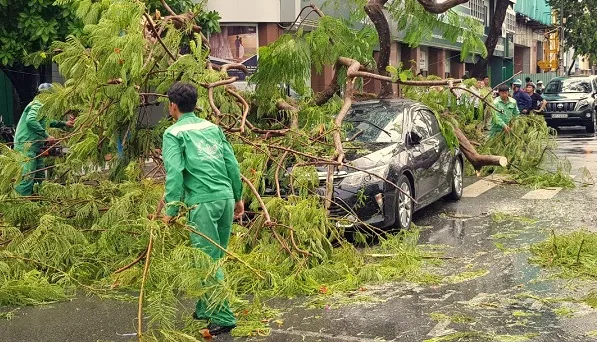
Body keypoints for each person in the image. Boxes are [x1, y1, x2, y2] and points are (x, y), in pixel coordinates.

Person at [161, 82, 243, 336]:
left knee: (206, 260)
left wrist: (171, 210)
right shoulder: (213, 128)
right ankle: (204, 306)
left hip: (203, 202)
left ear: (172, 106)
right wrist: (238, 197)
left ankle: (223, 317)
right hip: (225, 198)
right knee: (214, 257)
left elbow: (174, 174)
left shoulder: (173, 134)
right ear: (195, 104)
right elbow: (231, 163)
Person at [13, 83, 74, 195]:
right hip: (26, 147)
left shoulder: (42, 108)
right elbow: (31, 121)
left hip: (36, 149)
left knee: (39, 179)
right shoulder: (37, 104)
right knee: (26, 179)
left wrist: (64, 123)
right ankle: (20, 205)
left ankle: (38, 203)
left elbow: (46, 121)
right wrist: (46, 136)